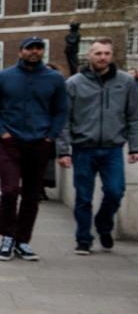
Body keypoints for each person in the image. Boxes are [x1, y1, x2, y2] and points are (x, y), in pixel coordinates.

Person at [0, 36, 68, 261]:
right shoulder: (2, 78)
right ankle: (7, 236)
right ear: (20, 51)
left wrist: (50, 136)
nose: (35, 52)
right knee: (9, 191)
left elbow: (61, 111)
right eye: (30, 48)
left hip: (39, 143)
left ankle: (23, 240)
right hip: (10, 143)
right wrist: (2, 133)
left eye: (39, 48)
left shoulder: (55, 79)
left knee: (31, 195)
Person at [55, 37, 138, 254]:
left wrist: (134, 147)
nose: (103, 57)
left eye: (107, 53)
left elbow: (133, 116)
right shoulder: (73, 84)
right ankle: (83, 239)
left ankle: (103, 224)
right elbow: (64, 119)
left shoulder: (125, 82)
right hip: (84, 148)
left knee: (115, 191)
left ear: (112, 55)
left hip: (112, 148)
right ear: (89, 56)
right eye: (98, 53)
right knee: (83, 197)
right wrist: (63, 150)